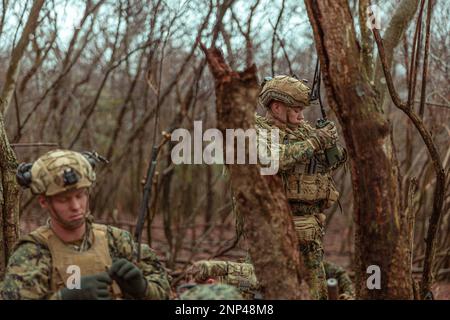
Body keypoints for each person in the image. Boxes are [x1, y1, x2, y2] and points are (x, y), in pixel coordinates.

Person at [1, 149, 171, 300]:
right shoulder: (32, 252)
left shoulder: (117, 241)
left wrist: (143, 289)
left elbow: (164, 291)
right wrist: (65, 297)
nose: (75, 206)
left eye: (80, 195)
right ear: (44, 202)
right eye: (64, 199)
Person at [255, 75, 347, 299]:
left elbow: (332, 163)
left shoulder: (304, 131)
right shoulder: (259, 132)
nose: (301, 115)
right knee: (271, 290)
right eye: (296, 109)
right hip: (275, 228)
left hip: (311, 228)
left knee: (316, 293)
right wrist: (316, 141)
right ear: (277, 107)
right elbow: (274, 160)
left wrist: (329, 142)